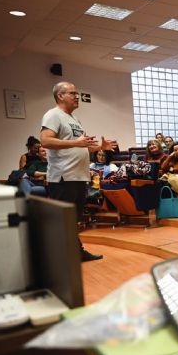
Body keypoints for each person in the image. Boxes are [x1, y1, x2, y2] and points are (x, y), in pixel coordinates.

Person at [40, 81, 117, 262]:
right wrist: (76, 143)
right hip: (63, 177)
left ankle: (75, 252)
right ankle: (54, 257)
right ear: (60, 96)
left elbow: (82, 148)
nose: (77, 97)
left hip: (78, 177)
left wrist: (99, 147)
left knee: (72, 220)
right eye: (73, 93)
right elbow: (45, 141)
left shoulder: (75, 120)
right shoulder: (53, 115)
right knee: (62, 220)